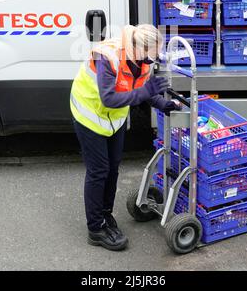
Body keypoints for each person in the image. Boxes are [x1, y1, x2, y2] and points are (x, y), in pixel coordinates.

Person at [70, 24, 180, 251]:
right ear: (140, 48)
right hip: (89, 114)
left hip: (113, 120)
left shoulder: (143, 60)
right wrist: (146, 92)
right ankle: (96, 229)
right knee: (98, 171)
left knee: (113, 168)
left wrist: (163, 104)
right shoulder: (107, 56)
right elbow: (109, 98)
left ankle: (105, 216)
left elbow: (143, 88)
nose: (156, 57)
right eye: (153, 52)